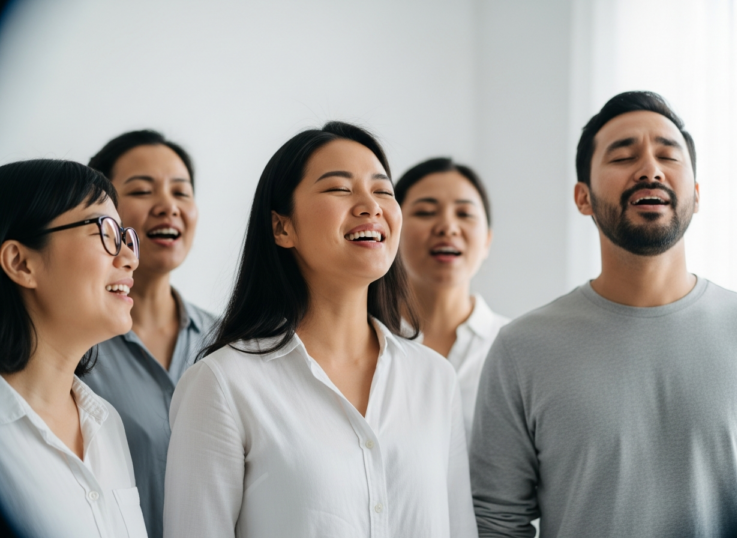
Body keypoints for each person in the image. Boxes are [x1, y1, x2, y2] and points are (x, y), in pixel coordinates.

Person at [470, 91, 737, 537]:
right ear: (583, 197)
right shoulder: (522, 348)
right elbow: (495, 521)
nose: (649, 169)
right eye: (623, 156)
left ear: (697, 194)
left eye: (668, 155)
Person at [164, 122, 478, 538]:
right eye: (340, 189)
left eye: (383, 190)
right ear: (282, 228)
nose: (372, 206)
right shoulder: (222, 383)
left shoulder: (434, 378)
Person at [0, 160, 146, 538]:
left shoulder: (106, 423)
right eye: (106, 232)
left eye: (126, 236)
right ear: (21, 262)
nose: (129, 257)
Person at [82, 130, 216, 538]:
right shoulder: (72, 344)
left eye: (182, 192)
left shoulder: (231, 340)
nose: (168, 207)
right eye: (142, 190)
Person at [395, 158, 509, 438]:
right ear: (391, 231)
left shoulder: (515, 349)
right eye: (425, 212)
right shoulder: (362, 343)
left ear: (487, 241)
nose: (447, 227)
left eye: (465, 214)